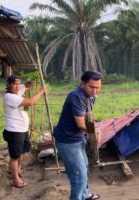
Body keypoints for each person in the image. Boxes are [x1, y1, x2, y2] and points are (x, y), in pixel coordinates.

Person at [53, 71, 102, 200]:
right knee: (78, 176)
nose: (95, 91)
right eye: (92, 87)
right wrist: (95, 132)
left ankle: (85, 195)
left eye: (98, 87)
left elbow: (88, 117)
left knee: (84, 168)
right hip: (68, 141)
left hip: (78, 138)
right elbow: (81, 124)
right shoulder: (76, 96)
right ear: (83, 84)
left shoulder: (91, 97)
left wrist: (94, 130)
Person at [3, 75, 46, 188]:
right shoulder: (9, 97)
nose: (17, 86)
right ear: (8, 85)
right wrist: (41, 91)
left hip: (22, 130)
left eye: (18, 83)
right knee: (14, 156)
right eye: (14, 84)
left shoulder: (17, 92)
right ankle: (16, 180)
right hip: (14, 131)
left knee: (21, 152)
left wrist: (28, 85)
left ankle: (18, 170)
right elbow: (30, 101)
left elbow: (25, 86)